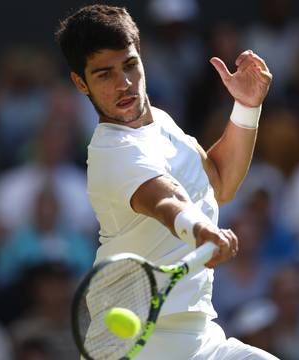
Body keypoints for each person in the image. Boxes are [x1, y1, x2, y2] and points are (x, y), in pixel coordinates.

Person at [56, 4, 275, 359]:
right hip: (134, 349)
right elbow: (166, 201)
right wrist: (202, 231)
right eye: (104, 74)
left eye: (129, 65)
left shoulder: (160, 122)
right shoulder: (112, 152)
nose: (124, 84)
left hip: (201, 339)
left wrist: (246, 107)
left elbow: (219, 183)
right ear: (80, 82)